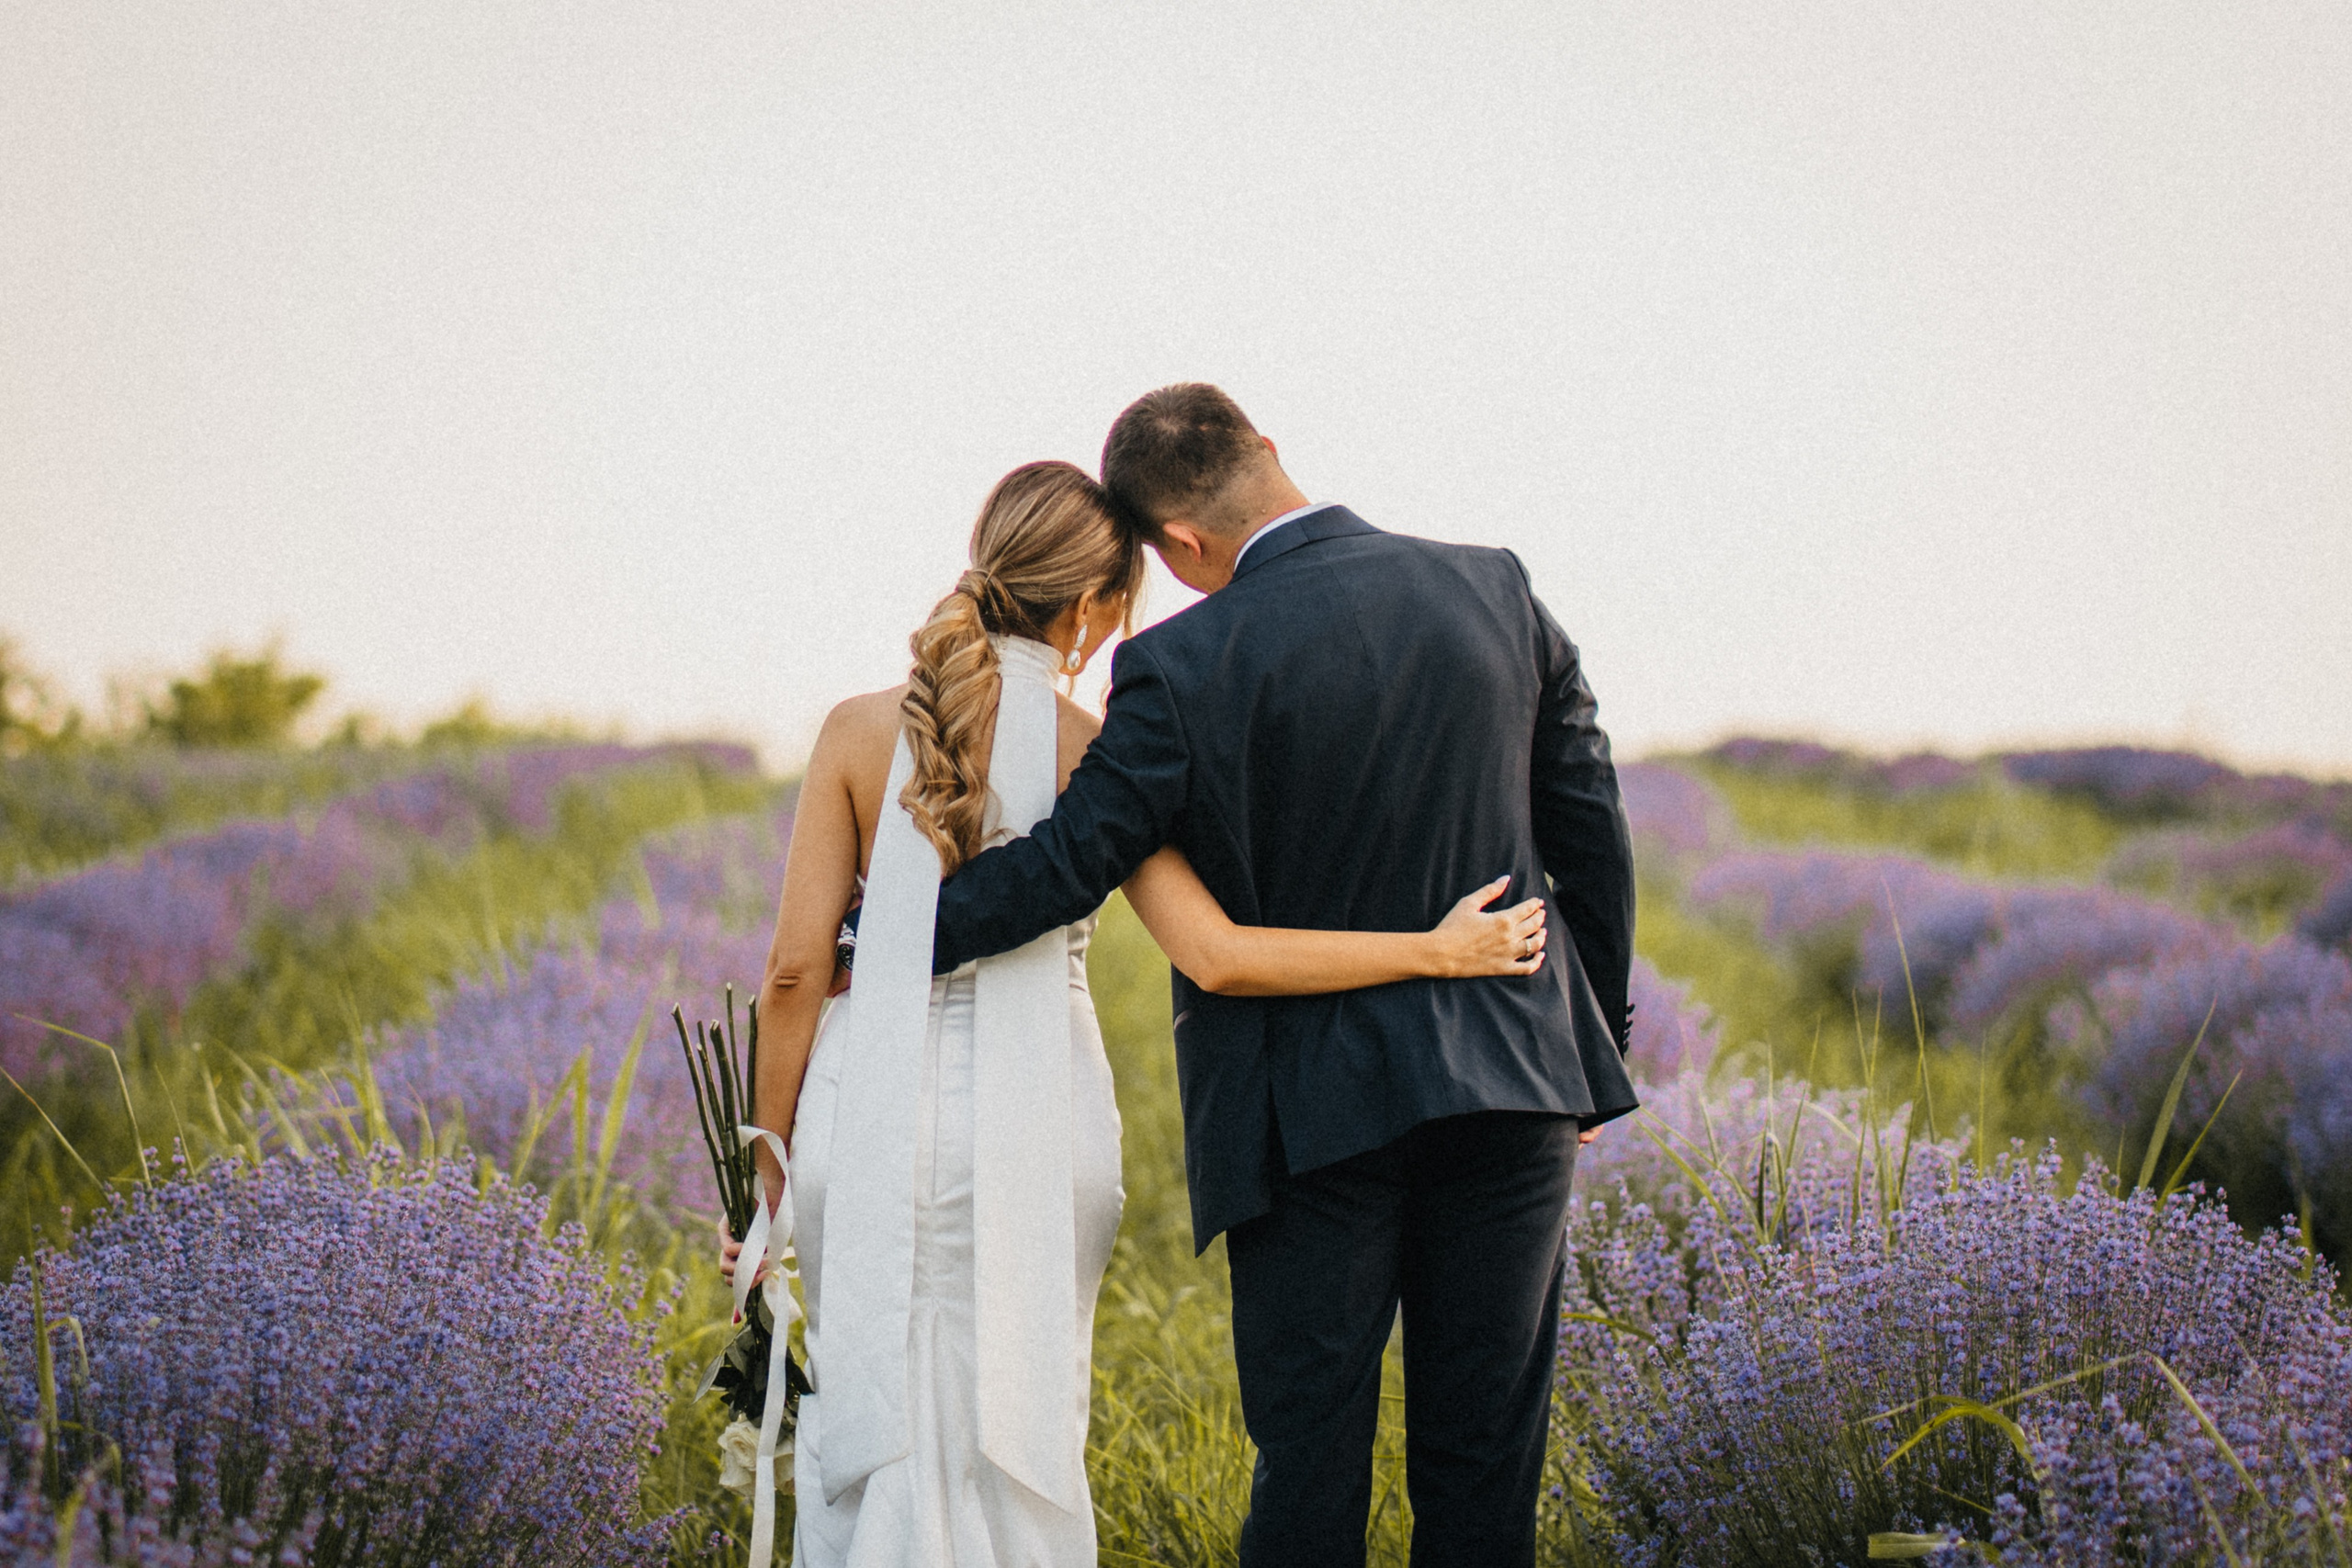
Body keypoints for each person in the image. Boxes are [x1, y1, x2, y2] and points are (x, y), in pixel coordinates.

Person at [723, 458, 1553, 1567]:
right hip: (1036, 1130)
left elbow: (792, 974)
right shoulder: (1099, 753)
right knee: (1020, 1419)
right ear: (1098, 602)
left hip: (863, 1115)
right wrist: (1434, 951)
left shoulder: (855, 730)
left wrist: (768, 1169)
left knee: (875, 1407)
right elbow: (1218, 956)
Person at [918, 389, 1640, 1567]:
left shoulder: (1177, 665)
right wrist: (1593, 1040)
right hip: (1514, 1080)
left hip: (1308, 1116)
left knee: (1308, 1465)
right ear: (1264, 446)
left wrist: (882, 937)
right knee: (1483, 1464)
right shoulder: (1495, 588)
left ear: (1177, 542)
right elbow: (1589, 826)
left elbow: (1070, 862)